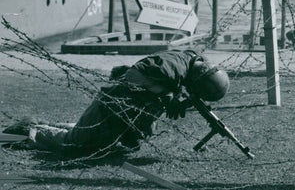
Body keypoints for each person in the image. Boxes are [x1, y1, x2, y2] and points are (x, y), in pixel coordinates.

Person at [6, 50, 229, 158]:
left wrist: (175, 98)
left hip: (126, 112)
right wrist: (168, 97)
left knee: (111, 145)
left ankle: (49, 126)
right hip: (112, 106)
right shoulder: (172, 68)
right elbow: (134, 74)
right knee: (74, 145)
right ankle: (26, 131)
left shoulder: (187, 65)